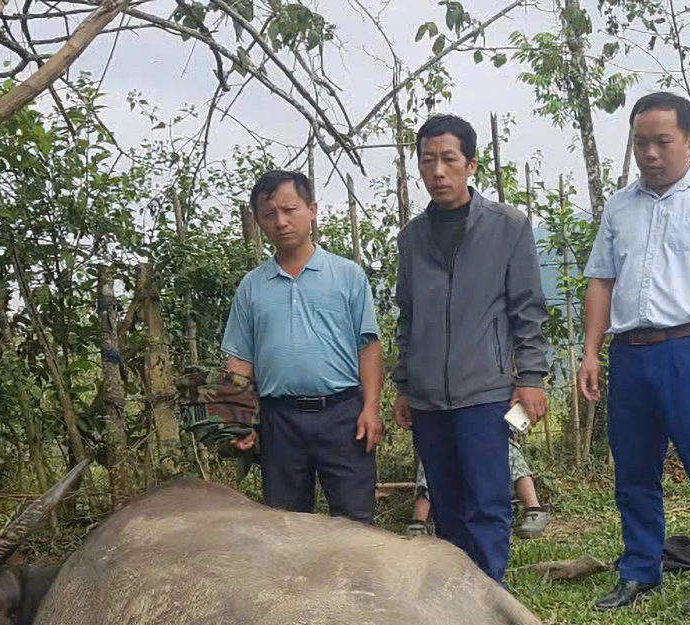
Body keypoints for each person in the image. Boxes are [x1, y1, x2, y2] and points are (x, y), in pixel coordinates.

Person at [578, 92, 690, 617]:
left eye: (662, 141)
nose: (650, 153)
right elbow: (601, 281)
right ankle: (639, 569)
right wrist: (591, 352)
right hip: (630, 354)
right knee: (633, 469)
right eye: (640, 142)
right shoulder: (620, 206)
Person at [391, 113, 550, 584]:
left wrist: (531, 378)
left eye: (448, 159)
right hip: (427, 395)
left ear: (471, 164)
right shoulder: (412, 238)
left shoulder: (507, 226)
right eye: (427, 161)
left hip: (485, 389)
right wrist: (404, 384)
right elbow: (408, 316)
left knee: (487, 501)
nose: (437, 171)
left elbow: (527, 308)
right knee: (445, 502)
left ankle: (491, 593)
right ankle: (461, 595)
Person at [223, 169, 383, 522]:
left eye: (289, 209)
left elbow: (368, 347)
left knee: (355, 521)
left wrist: (371, 407)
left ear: (312, 210)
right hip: (278, 419)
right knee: (285, 526)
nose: (280, 221)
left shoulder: (347, 275)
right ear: (259, 221)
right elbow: (238, 359)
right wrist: (239, 421)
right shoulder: (251, 287)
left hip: (344, 415)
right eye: (269, 214)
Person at [405, 434, 551, 539]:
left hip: (489, 441)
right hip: (452, 443)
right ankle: (418, 522)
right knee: (434, 454)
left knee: (506, 448)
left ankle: (534, 510)